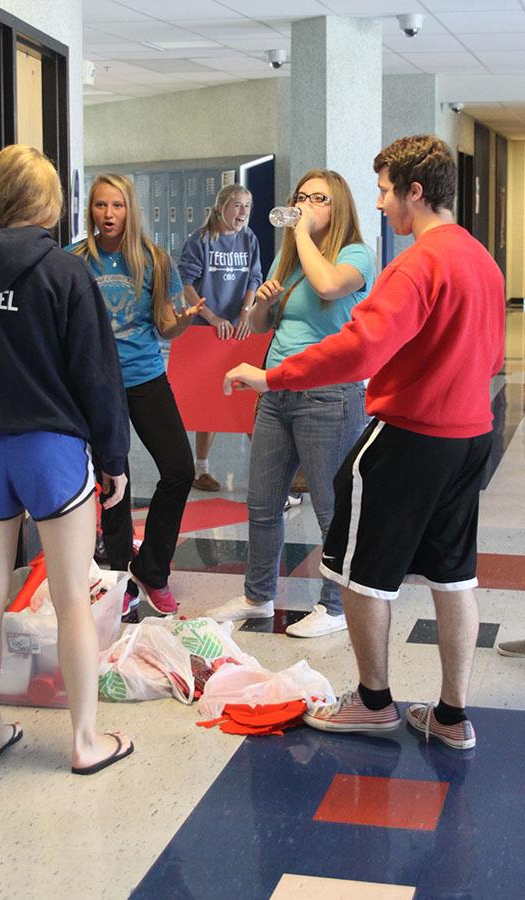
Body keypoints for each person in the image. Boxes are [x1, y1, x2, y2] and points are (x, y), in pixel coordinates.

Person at [224, 135, 506, 750]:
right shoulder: (482, 261)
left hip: (408, 436)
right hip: (470, 438)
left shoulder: (419, 262)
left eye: (384, 189)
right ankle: (453, 718)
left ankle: (374, 701)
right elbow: (490, 357)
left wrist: (272, 375)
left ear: (415, 191)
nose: (379, 202)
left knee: (362, 574)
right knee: (454, 577)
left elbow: (361, 348)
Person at [0, 145, 133, 775]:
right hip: (49, 448)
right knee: (73, 595)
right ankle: (83, 742)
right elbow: (96, 374)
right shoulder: (64, 272)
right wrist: (113, 457)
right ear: (49, 201)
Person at [207, 169, 375, 637]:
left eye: (318, 198)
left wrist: (299, 233)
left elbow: (328, 287)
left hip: (330, 396)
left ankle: (336, 606)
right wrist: (261, 302)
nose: (305, 205)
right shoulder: (291, 260)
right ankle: (257, 596)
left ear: (338, 206)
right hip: (276, 392)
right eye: (301, 197)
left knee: (329, 507)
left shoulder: (355, 254)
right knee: (262, 502)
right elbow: (263, 326)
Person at [68, 174, 203, 615]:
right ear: (91, 210)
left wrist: (184, 321)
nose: (109, 214)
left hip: (145, 375)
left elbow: (166, 325)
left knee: (179, 468)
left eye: (118, 206)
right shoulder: (74, 260)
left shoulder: (155, 260)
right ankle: (120, 576)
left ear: (131, 210)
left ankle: (153, 568)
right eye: (101, 206)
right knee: (113, 481)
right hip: (94, 384)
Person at [178, 184, 262, 492]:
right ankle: (201, 469)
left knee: (248, 397)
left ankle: (264, 469)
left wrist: (246, 312)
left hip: (239, 330)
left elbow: (254, 277)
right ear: (221, 208)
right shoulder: (201, 240)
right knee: (209, 401)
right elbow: (186, 282)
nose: (242, 212)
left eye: (247, 207)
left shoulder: (249, 239)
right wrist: (211, 316)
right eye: (237, 206)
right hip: (207, 330)